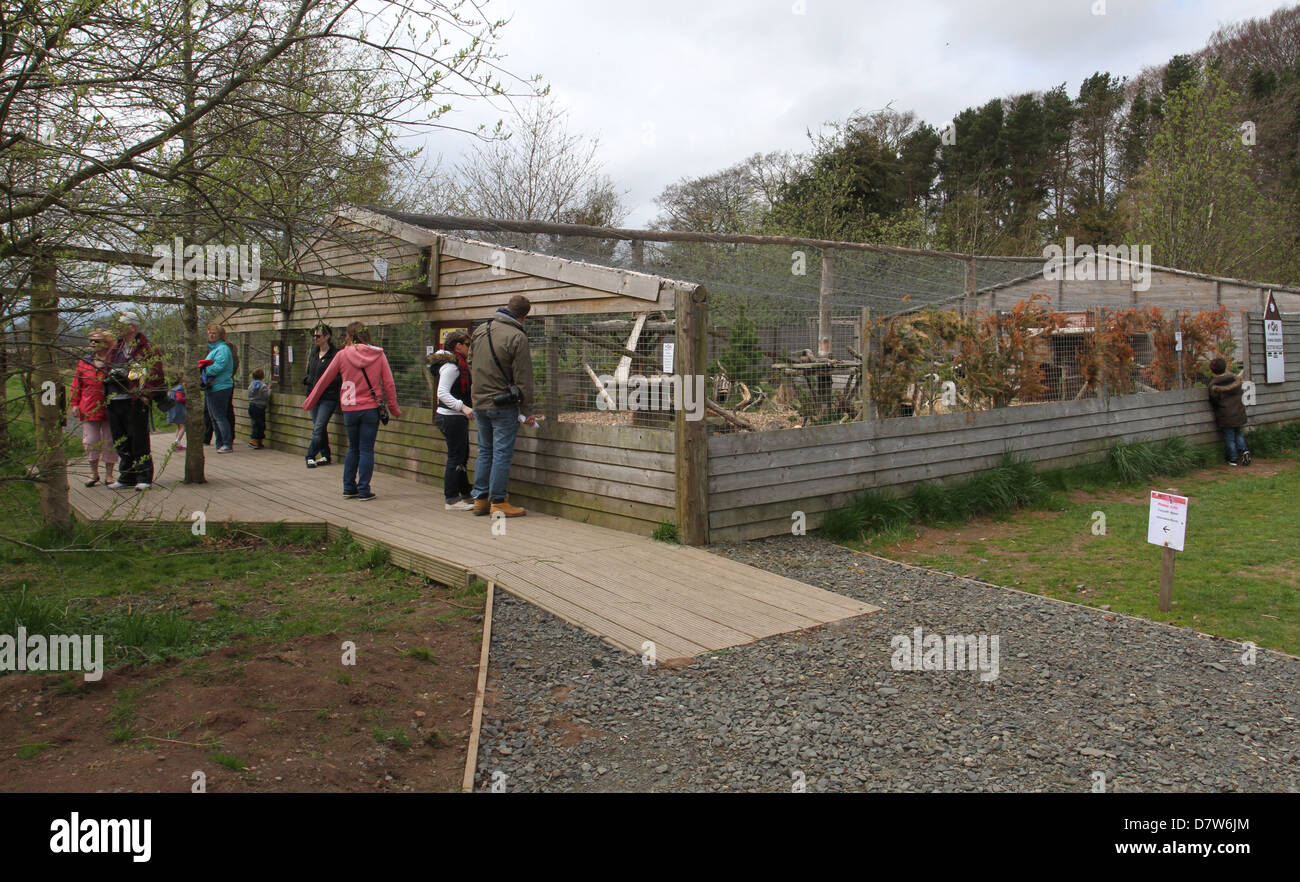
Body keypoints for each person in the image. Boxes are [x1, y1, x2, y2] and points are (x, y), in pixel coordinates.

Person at [301, 321, 401, 501]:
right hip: (370, 408)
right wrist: (393, 408)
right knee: (366, 450)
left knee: (353, 448)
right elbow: (389, 383)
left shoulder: (341, 355)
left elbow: (323, 380)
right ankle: (364, 489)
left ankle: (348, 487)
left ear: (350, 335)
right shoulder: (378, 354)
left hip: (349, 408)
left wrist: (309, 402)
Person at [468, 295, 538, 518]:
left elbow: (471, 361)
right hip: (503, 404)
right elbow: (523, 376)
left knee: (485, 450)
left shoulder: (481, 329)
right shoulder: (517, 336)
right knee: (501, 452)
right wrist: (527, 410)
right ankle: (498, 502)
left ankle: (480, 499)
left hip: (479, 401)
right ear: (524, 316)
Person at [104, 312, 164, 490]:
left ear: (132, 327)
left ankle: (143, 476)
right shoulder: (115, 349)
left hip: (135, 400)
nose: (118, 329)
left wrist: (145, 393)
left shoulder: (147, 348)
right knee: (120, 439)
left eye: (121, 325)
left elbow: (155, 373)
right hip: (114, 399)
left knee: (138, 439)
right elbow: (106, 369)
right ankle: (126, 476)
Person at [429, 331, 475, 511]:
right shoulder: (452, 366)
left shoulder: (458, 365)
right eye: (467, 344)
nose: (468, 348)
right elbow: (442, 393)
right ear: (457, 346)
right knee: (456, 457)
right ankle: (451, 498)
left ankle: (465, 491)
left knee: (462, 455)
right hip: (450, 417)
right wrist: (462, 406)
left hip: (455, 417)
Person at [70, 329, 118, 487]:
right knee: (91, 440)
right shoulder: (84, 362)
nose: (92, 344)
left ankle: (109, 474)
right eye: (90, 340)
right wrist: (75, 403)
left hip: (110, 406)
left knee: (109, 441)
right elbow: (77, 384)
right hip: (89, 406)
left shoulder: (114, 361)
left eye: (96, 341)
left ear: (106, 343)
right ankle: (93, 473)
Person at [302, 322, 341, 468]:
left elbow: (339, 375)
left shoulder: (335, 355)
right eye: (313, 336)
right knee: (320, 426)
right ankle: (326, 455)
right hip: (312, 395)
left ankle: (310, 455)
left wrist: (326, 384)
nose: (315, 338)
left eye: (318, 336)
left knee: (318, 427)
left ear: (327, 336)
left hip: (328, 397)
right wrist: (308, 380)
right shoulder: (314, 353)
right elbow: (310, 371)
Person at [1208, 356, 1251, 466]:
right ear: (1224, 367)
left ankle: (1233, 459)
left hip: (1225, 415)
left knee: (1229, 438)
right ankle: (1244, 451)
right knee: (1238, 433)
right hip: (1238, 412)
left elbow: (1214, 401)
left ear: (1212, 371)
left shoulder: (1214, 385)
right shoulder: (1235, 380)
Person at [202, 323, 236, 453]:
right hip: (213, 386)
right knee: (213, 416)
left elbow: (219, 366)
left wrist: (204, 370)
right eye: (209, 332)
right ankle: (219, 442)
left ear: (220, 335)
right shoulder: (215, 349)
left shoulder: (222, 349)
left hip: (221, 386)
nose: (211, 335)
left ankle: (226, 443)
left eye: (214, 333)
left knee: (220, 416)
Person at [247, 369, 270, 449]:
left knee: (255, 423)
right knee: (259, 424)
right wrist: (269, 391)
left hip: (252, 406)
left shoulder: (251, 385)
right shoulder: (263, 386)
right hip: (259, 408)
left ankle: (259, 441)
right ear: (262, 376)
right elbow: (265, 396)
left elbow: (249, 394)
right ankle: (254, 440)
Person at [165, 374, 187, 451]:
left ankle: (178, 444)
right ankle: (176, 442)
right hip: (179, 409)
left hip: (173, 409)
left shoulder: (172, 389)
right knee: (183, 426)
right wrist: (187, 399)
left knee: (179, 427)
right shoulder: (179, 387)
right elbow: (179, 398)